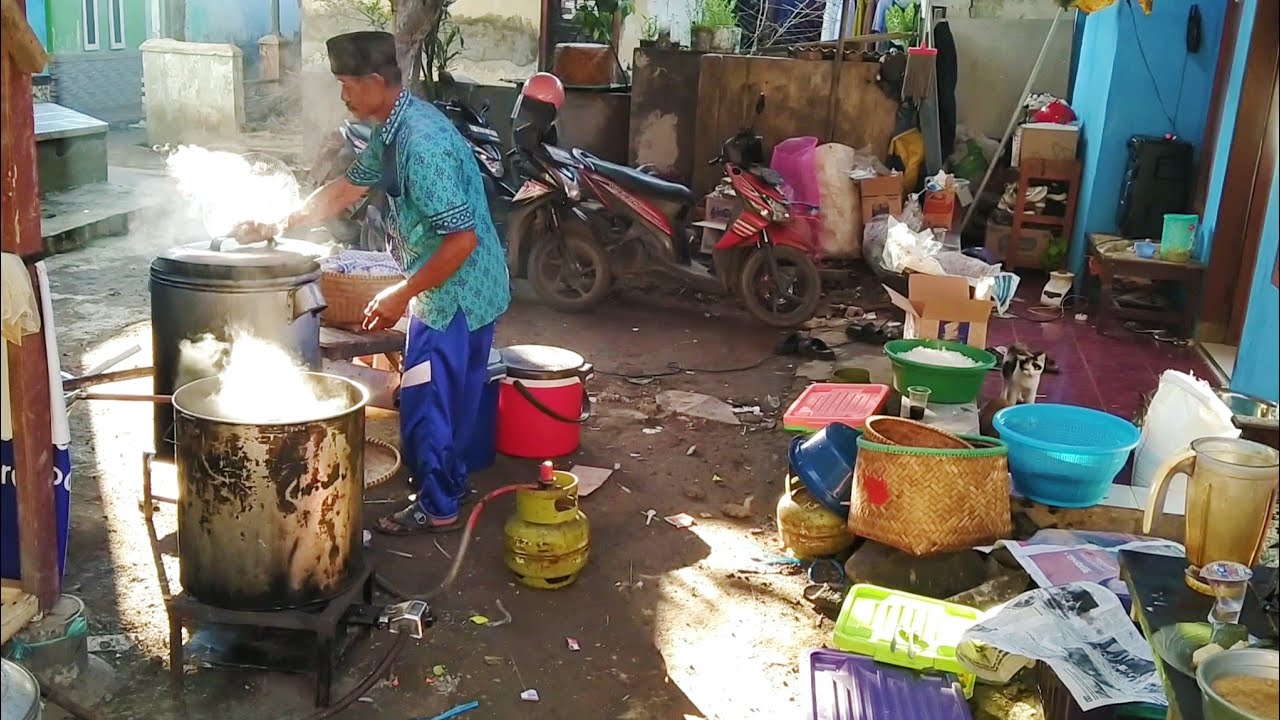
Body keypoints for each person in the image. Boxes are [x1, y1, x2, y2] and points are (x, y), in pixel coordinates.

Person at [262, 31, 510, 534]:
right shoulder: (393, 127)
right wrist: (279, 223)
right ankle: (451, 485)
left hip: (452, 294)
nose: (343, 95)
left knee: (425, 402)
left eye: (347, 84)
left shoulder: (421, 144)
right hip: (466, 287)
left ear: (376, 82)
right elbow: (347, 187)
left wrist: (401, 293)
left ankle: (436, 505)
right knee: (454, 397)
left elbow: (460, 241)